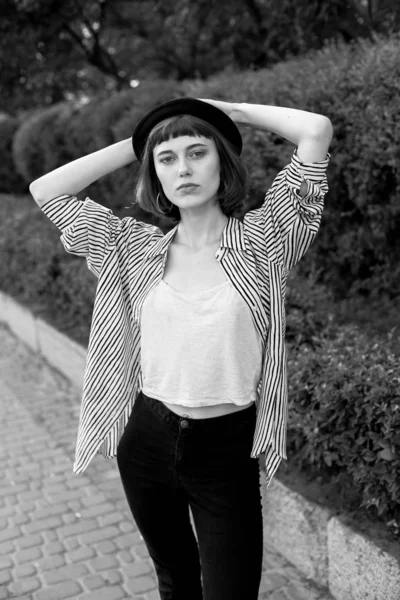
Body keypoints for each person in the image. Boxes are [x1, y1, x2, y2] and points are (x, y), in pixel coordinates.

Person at [29, 96, 333, 600]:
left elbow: (316, 132)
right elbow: (48, 190)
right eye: (167, 160)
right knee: (174, 582)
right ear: (156, 175)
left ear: (223, 163)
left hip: (227, 451)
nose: (183, 168)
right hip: (148, 439)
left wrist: (230, 110)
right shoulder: (132, 247)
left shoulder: (267, 239)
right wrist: (142, 140)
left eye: (198, 152)